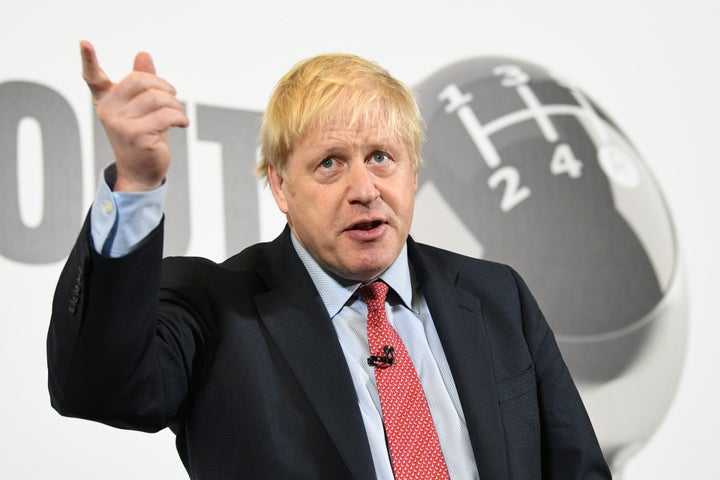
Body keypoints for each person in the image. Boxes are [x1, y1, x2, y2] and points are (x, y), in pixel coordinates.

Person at [47, 40, 611, 480]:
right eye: (329, 164)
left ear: (413, 173)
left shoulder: (497, 297)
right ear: (279, 185)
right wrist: (137, 184)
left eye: (382, 158)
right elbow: (97, 387)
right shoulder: (213, 307)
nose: (365, 188)